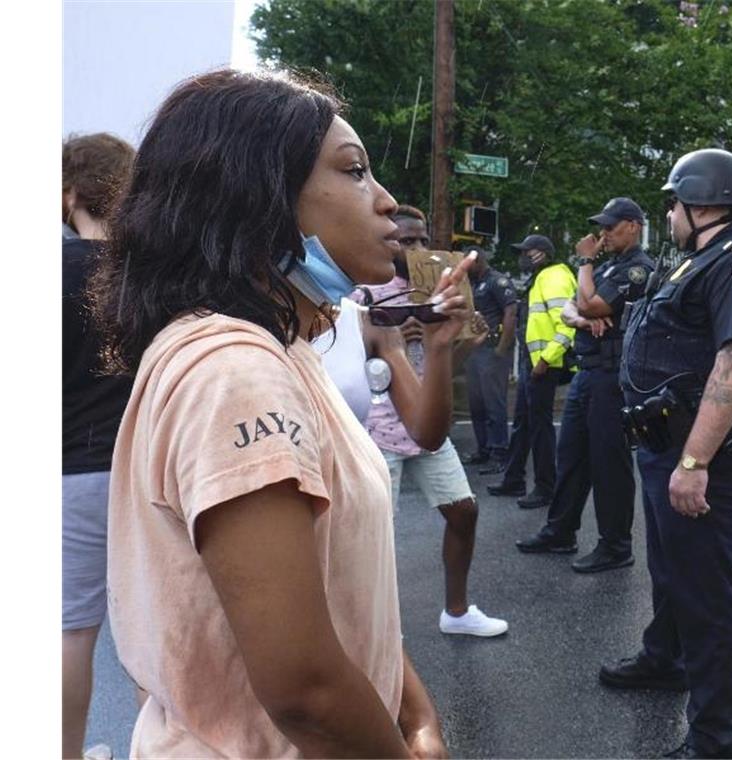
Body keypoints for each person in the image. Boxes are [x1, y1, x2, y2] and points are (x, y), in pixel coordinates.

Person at [89, 69, 461, 758]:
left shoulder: (279, 349)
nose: (387, 203)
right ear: (256, 195)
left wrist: (415, 713)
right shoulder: (236, 372)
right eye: (354, 172)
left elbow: (341, 600)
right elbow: (306, 692)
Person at [602, 149, 732, 759]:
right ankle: (666, 659)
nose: (669, 213)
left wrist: (694, 462)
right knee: (670, 571)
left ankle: (715, 739)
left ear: (701, 203)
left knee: (706, 596)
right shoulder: (698, 260)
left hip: (695, 453)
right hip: (664, 442)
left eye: (674, 202)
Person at [359, 205, 509, 638]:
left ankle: (457, 612)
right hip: (377, 429)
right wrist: (385, 342)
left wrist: (462, 342)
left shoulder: (442, 290)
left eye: (423, 239)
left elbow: (447, 368)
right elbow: (346, 357)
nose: (419, 248)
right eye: (408, 241)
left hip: (428, 427)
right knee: (374, 538)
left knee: (464, 512)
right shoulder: (366, 292)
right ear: (390, 242)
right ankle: (376, 631)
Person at [516, 198, 654, 573]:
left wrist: (586, 270)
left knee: (610, 461)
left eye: (611, 227)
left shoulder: (639, 269)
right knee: (572, 454)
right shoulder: (609, 267)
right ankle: (560, 531)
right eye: (602, 227)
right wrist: (582, 315)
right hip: (587, 372)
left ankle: (616, 546)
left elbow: (591, 306)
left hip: (613, 378)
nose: (603, 234)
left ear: (633, 226)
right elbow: (572, 309)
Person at [62, 131, 136, 760]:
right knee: (156, 628)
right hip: (147, 471)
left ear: (69, 195)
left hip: (71, 472)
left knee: (69, 632)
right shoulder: (152, 276)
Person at [486, 234, 577, 509]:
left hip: (543, 366)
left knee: (540, 427)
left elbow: (567, 325)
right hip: (532, 364)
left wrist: (545, 360)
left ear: (541, 254)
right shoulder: (540, 278)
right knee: (524, 425)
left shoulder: (554, 278)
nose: (522, 257)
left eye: (527, 252)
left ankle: (546, 487)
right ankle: (514, 478)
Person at [460, 246, 518, 471]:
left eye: (467, 263)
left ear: (478, 261)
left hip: (493, 350)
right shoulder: (472, 284)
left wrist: (502, 349)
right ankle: (483, 449)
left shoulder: (497, 281)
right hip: (475, 350)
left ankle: (499, 452)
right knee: (477, 404)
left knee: (494, 403)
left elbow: (510, 313)